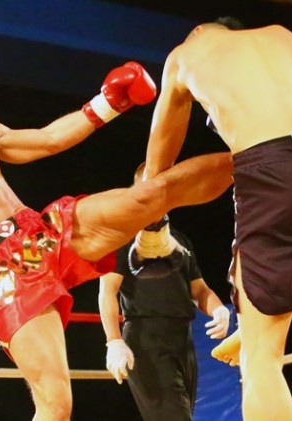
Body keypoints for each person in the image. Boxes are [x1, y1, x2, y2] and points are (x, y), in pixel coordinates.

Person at [0, 25, 233, 420]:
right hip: (1, 275)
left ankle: (253, 160)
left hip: (39, 232)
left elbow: (49, 139)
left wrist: (109, 102)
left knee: (146, 198)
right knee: (56, 406)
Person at [140, 17, 292, 421]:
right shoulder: (287, 36)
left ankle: (256, 331)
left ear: (199, 31)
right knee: (288, 236)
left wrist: (150, 217)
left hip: (276, 176)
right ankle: (252, 317)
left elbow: (158, 161)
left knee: (260, 363)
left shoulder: (186, 55)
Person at [98, 166, 230, 421]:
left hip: (183, 338)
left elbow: (199, 289)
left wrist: (219, 310)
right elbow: (107, 292)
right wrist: (113, 341)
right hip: (146, 338)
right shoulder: (122, 237)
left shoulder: (180, 240)